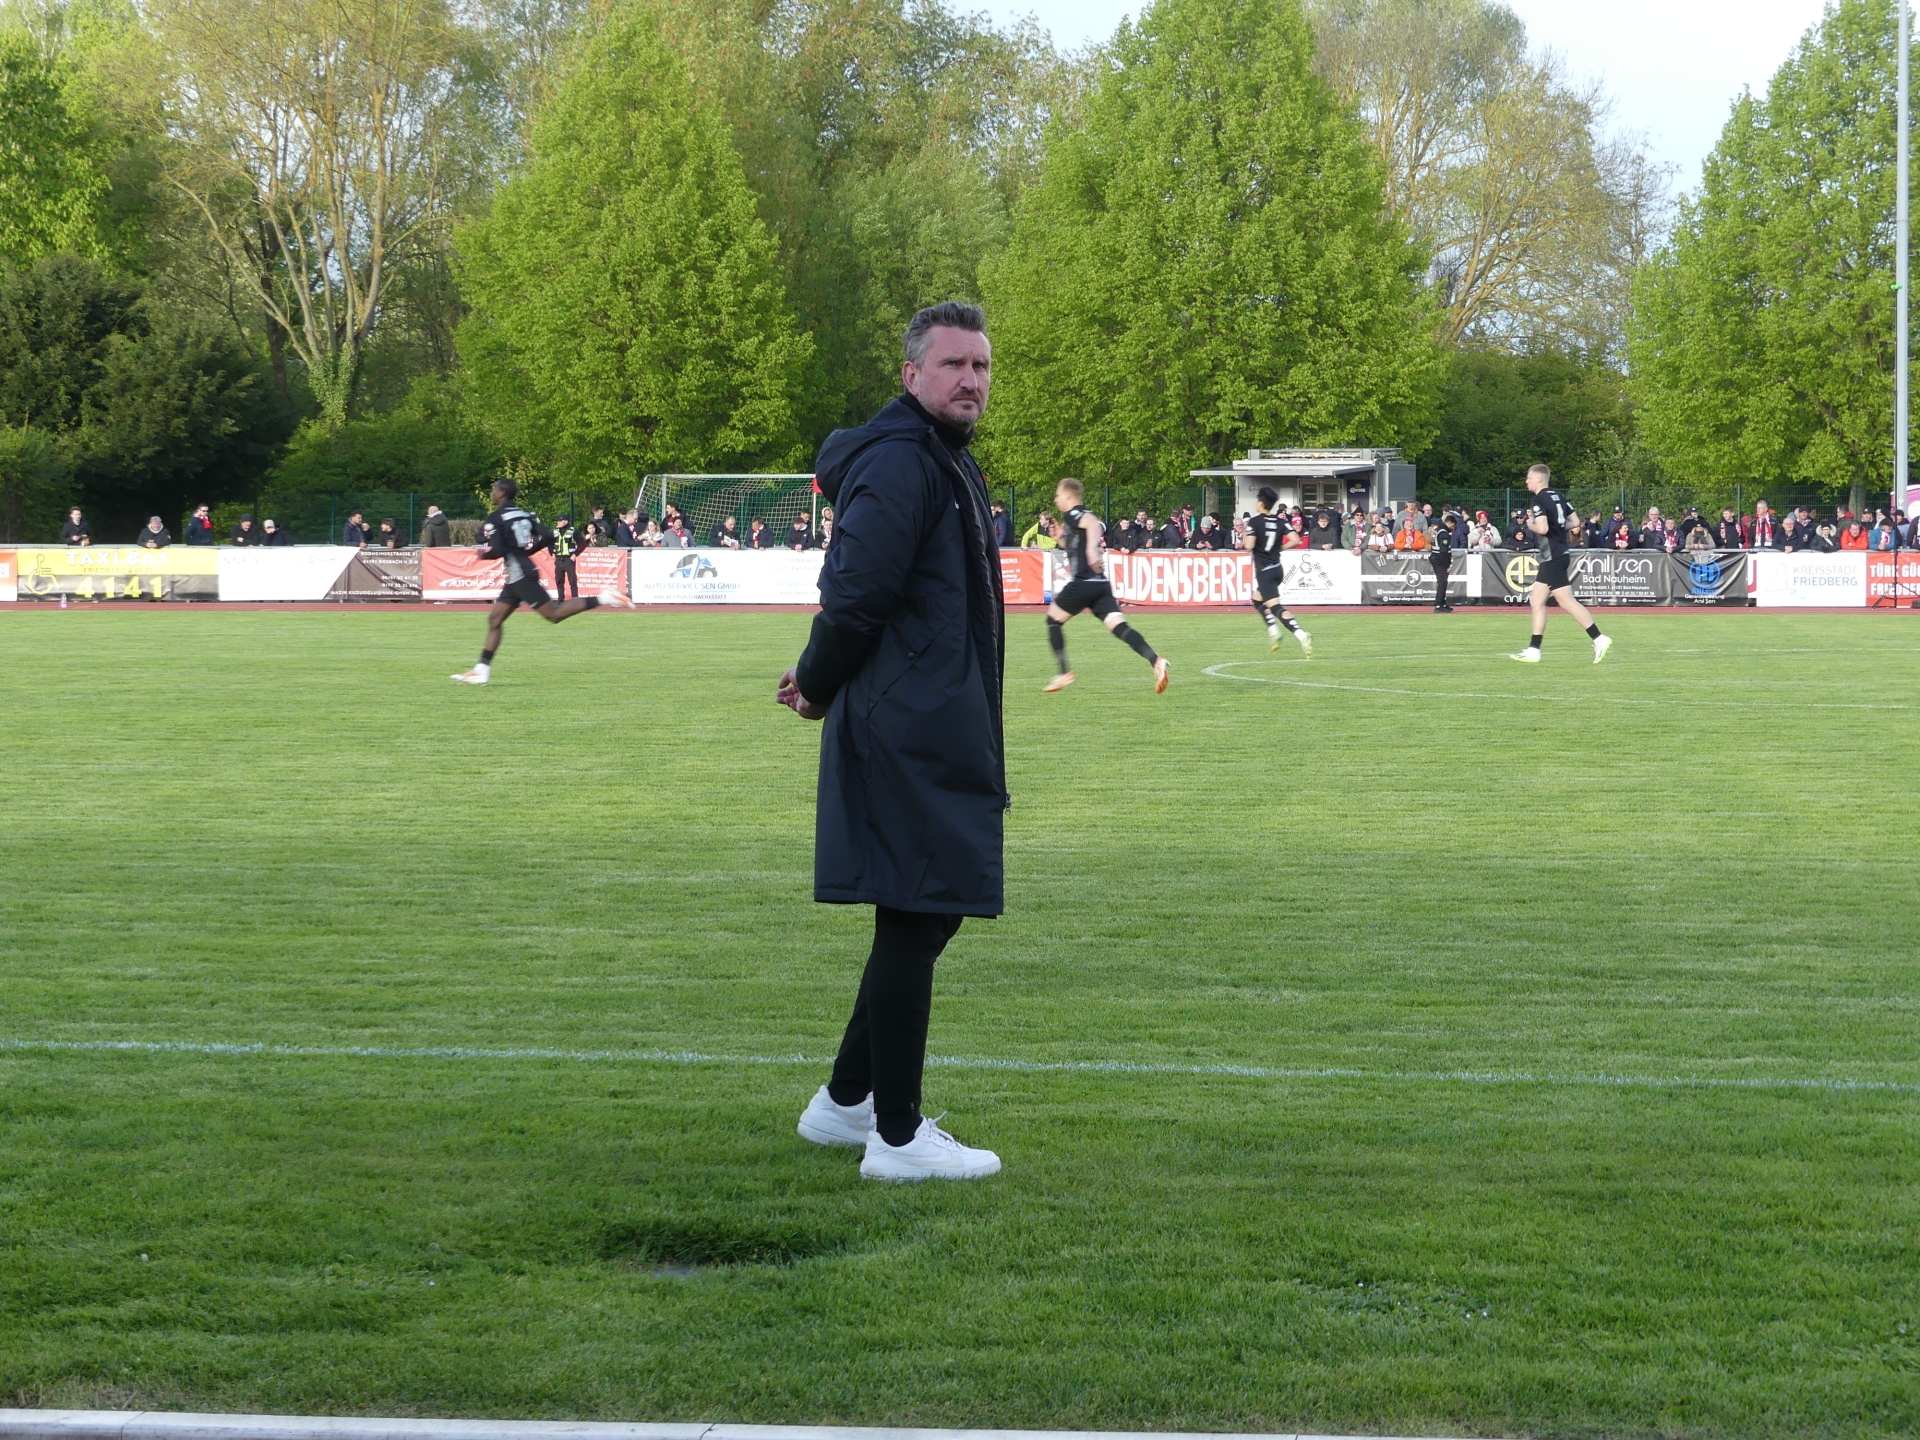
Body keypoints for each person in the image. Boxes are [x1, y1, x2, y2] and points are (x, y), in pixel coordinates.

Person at [778, 301, 1004, 1183]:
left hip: (933, 715)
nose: (971, 380)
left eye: (981, 366)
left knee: (932, 909)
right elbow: (856, 593)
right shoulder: (904, 462)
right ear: (911, 375)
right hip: (905, 724)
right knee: (916, 909)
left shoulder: (942, 458)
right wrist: (818, 680)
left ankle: (845, 1102)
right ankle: (899, 1138)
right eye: (953, 365)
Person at [452, 478, 628, 685]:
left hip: (520, 575)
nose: (492, 493)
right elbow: (548, 536)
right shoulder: (523, 514)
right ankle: (481, 670)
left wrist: (483, 555)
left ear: (502, 493)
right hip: (520, 573)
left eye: (494, 489)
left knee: (553, 614)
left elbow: (497, 549)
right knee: (495, 619)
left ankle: (605, 598)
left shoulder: (496, 517)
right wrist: (528, 552)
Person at [1039, 478, 1170, 695]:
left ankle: (1063, 672)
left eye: (1058, 495)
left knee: (1053, 620)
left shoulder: (1074, 513)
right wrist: (1060, 538)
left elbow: (1092, 523)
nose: (1055, 499)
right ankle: (1156, 661)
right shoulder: (1076, 518)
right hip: (1100, 584)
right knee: (1120, 627)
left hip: (1083, 582)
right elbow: (1075, 545)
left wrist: (1092, 549)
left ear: (1068, 496)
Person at [1509, 464, 1610, 665]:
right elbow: (1574, 522)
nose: (1526, 481)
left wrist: (1530, 524)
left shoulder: (1538, 499)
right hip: (1558, 553)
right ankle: (1534, 649)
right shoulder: (1558, 496)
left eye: (1529, 477)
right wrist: (1557, 527)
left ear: (1539, 479)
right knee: (1537, 601)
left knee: (1566, 602)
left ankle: (1599, 638)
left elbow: (1542, 528)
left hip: (1552, 555)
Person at [1246, 487, 1313, 654]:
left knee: (1276, 608)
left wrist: (1249, 535)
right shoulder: (1280, 521)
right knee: (1257, 600)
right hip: (1277, 569)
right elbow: (1295, 539)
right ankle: (1273, 631)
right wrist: (1280, 548)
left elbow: (1249, 545)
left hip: (1264, 571)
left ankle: (1300, 634)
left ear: (1261, 503)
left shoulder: (1254, 522)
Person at [550, 514, 581, 599]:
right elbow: (549, 543)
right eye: (557, 521)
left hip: (569, 560)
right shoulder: (554, 531)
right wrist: (552, 552)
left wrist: (575, 553)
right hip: (558, 560)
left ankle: (575, 600)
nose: (558, 522)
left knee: (572, 581)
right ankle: (560, 600)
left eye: (560, 521)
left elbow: (582, 544)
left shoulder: (574, 531)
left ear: (566, 521)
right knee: (559, 581)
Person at [1430, 507, 1454, 612]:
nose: (1453, 528)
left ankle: (1442, 603)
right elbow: (1443, 551)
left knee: (1442, 582)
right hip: (1440, 560)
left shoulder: (1437, 530)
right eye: (1453, 526)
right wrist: (1447, 565)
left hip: (1435, 558)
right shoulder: (1444, 533)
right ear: (1450, 523)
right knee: (1442, 582)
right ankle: (1439, 605)